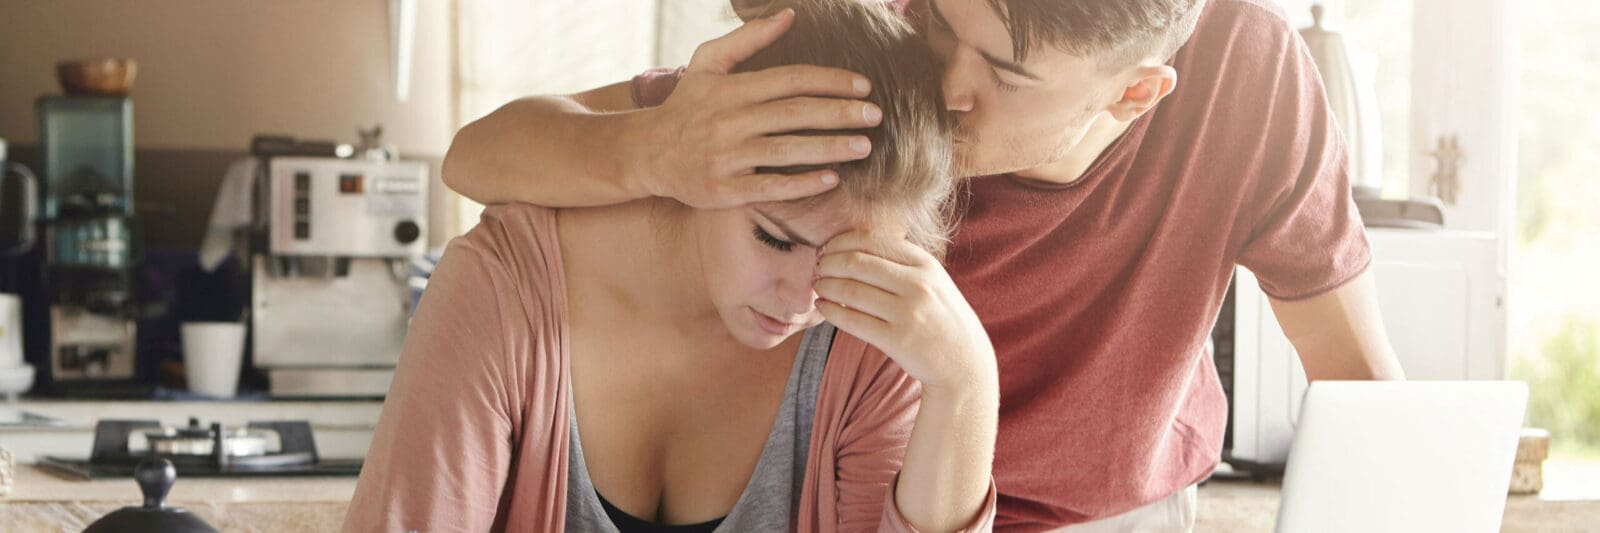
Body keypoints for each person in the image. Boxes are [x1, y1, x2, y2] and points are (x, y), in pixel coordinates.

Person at [440, 0, 1409, 530]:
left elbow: (1361, 382)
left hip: (1118, 516)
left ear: (1136, 92)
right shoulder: (883, 45)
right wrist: (655, 150)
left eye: (1006, 73)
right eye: (947, 25)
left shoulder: (1249, 78)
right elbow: (478, 155)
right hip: (859, 504)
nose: (945, 83)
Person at [343, 1, 999, 532]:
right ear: (700, 166)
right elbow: (472, 154)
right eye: (774, 239)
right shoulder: (504, 287)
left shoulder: (866, 337)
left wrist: (966, 384)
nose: (806, 299)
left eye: (848, 259)